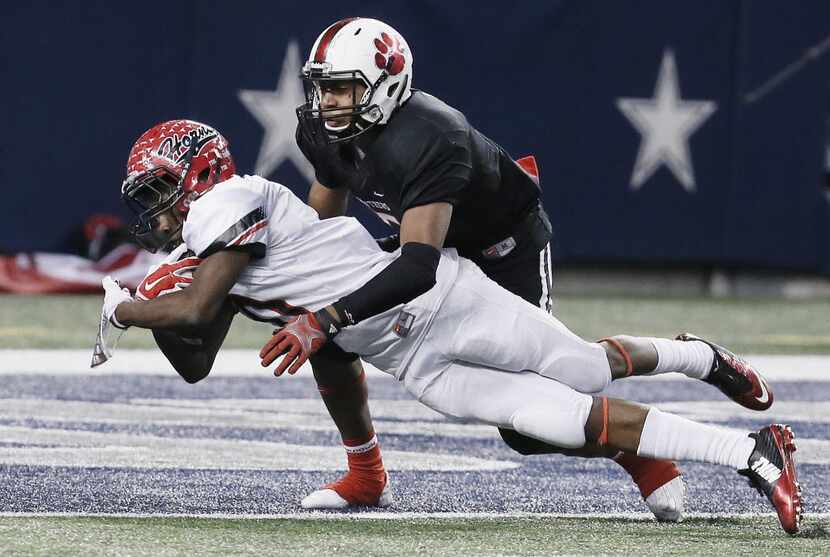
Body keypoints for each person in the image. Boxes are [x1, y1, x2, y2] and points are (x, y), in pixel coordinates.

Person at [104, 118, 801, 534]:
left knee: (584, 370)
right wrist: (160, 305)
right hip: (416, 361)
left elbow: (196, 311)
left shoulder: (228, 201)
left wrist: (125, 306)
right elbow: (195, 354)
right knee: (555, 420)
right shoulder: (208, 248)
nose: (157, 212)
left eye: (161, 191)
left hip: (441, 299)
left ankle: (698, 359)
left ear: (198, 176)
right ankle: (754, 450)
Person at [290, 17, 687, 517]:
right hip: (429, 247)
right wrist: (311, 286)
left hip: (500, 250)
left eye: (342, 90)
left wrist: (331, 314)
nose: (327, 103)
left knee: (531, 422)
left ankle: (646, 433)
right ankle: (366, 474)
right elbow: (323, 220)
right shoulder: (327, 131)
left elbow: (418, 266)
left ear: (386, 84)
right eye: (323, 89)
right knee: (322, 323)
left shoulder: (432, 135)